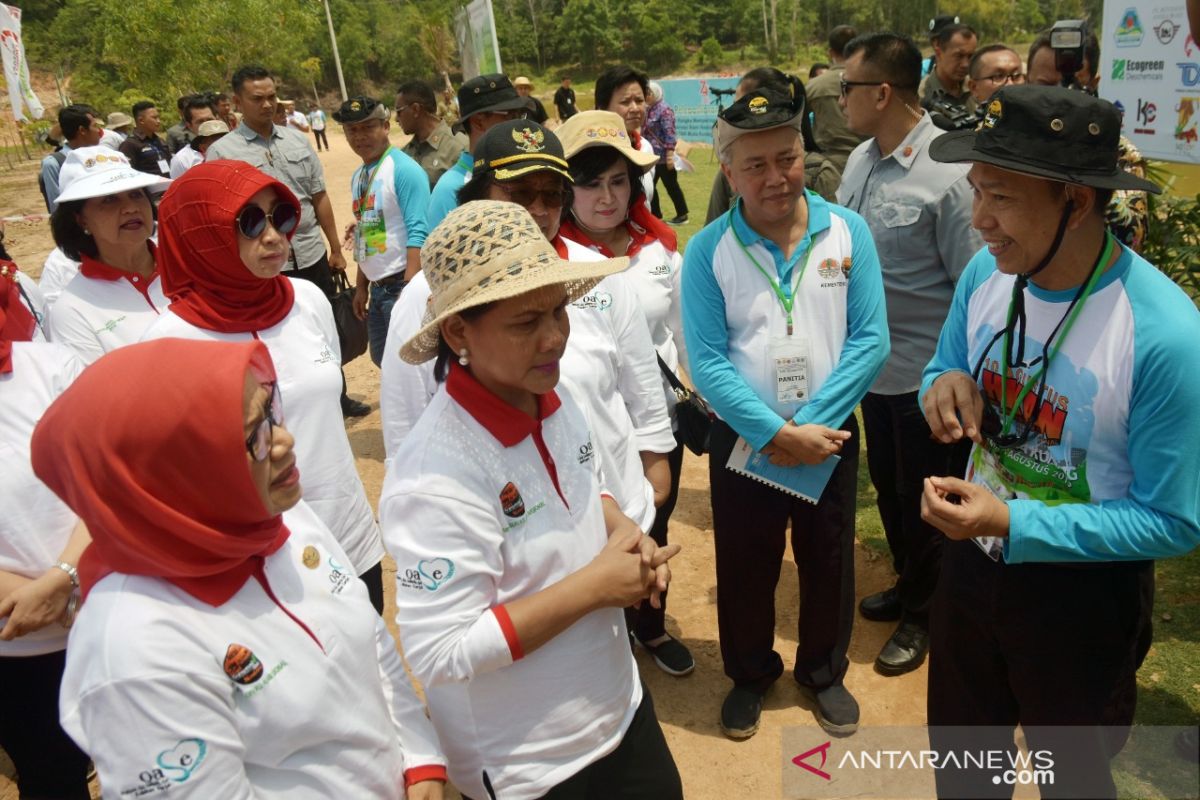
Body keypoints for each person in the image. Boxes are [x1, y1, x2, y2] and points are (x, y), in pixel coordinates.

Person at [921, 84, 1198, 799]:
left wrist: (1014, 521)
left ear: (1077, 202)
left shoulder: (1163, 336)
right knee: (966, 767)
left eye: (1002, 197)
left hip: (1081, 605)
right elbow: (944, 360)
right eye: (977, 190)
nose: (979, 219)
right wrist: (941, 382)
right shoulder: (989, 272)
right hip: (971, 569)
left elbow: (1171, 520)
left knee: (1072, 778)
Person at [31, 338, 448, 799]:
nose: (286, 441)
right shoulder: (136, 650)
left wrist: (420, 758)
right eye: (255, 436)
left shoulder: (273, 517)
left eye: (273, 410)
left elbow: (367, 634)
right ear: (175, 471)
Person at [384, 199, 682, 800]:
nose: (555, 338)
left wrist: (621, 526)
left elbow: (579, 483)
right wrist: (597, 588)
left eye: (559, 311)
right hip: (529, 764)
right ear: (459, 330)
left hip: (619, 711)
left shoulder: (551, 395)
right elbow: (441, 652)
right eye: (526, 322)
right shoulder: (434, 474)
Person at [682, 86, 889, 740]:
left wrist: (809, 432)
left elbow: (871, 338)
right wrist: (773, 431)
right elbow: (708, 359)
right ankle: (750, 673)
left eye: (788, 157)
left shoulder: (846, 232)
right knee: (746, 562)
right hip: (746, 441)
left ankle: (823, 673)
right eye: (755, 165)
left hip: (826, 436)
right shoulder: (708, 251)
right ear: (729, 171)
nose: (776, 177)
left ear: (804, 151)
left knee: (828, 559)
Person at [385, 120, 674, 544]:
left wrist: (653, 481)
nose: (538, 209)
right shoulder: (425, 297)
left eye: (552, 195)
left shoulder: (599, 272)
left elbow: (640, 384)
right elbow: (406, 423)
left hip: (619, 514)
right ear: (479, 192)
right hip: (510, 532)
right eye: (519, 193)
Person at [144, 160, 388, 611]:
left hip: (348, 534)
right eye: (250, 222)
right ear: (201, 234)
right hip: (260, 560)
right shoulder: (169, 343)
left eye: (281, 216)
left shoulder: (308, 301)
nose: (274, 237)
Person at [836, 32, 981, 677]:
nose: (837, 99)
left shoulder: (948, 176)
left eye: (847, 88)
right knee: (892, 495)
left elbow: (977, 284)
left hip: (927, 378)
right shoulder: (859, 161)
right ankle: (908, 584)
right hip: (872, 372)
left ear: (883, 92)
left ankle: (927, 615)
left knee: (928, 500)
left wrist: (960, 375)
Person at [558, 109, 695, 676]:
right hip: (577, 431)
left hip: (655, 422)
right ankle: (599, 645)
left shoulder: (659, 251)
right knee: (581, 544)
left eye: (619, 181)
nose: (607, 197)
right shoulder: (547, 260)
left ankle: (651, 629)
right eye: (590, 183)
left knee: (653, 526)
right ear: (566, 190)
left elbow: (683, 338)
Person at [207, 65, 366, 417]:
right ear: (236, 102)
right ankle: (282, 406)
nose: (266, 105)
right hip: (260, 264)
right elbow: (220, 219)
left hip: (309, 254)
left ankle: (336, 397)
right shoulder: (221, 153)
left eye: (271, 97)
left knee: (321, 326)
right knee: (270, 333)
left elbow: (319, 197)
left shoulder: (296, 140)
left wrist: (335, 250)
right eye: (257, 98)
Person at [0, 258, 92, 800]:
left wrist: (62, 578)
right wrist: (23, 599)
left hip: (99, 613)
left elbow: (108, 482)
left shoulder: (53, 367)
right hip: (15, 647)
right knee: (50, 776)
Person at [1026, 31, 1149, 253]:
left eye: (1069, 86)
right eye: (1045, 85)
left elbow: (1132, 238)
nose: (1058, 98)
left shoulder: (1120, 152)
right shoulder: (1010, 146)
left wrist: (1088, 166)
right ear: (1027, 82)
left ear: (1093, 83)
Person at [46, 148, 172, 364]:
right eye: (109, 199)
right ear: (81, 220)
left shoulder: (188, 266)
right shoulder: (72, 311)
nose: (131, 208)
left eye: (136, 194)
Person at [334, 96, 430, 367]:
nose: (359, 136)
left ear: (386, 127)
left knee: (410, 367)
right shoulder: (360, 176)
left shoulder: (404, 170)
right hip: (378, 289)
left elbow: (418, 231)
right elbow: (369, 234)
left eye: (367, 127)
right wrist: (362, 286)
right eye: (352, 130)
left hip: (401, 285)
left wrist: (410, 291)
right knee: (382, 359)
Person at [425, 73, 529, 231]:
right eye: (511, 116)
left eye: (520, 115)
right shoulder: (450, 189)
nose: (520, 125)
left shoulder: (528, 171)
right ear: (479, 121)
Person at [802, 25, 867, 188]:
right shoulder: (871, 82)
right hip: (869, 160)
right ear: (858, 48)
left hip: (829, 166)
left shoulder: (814, 86)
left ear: (830, 53)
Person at [595, 66, 656, 204]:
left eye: (639, 101)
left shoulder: (645, 148)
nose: (635, 108)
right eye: (625, 102)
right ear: (602, 107)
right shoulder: (589, 153)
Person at [397, 79, 467, 189]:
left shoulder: (459, 148)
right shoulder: (403, 155)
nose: (396, 119)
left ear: (415, 109)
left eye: (399, 111)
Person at [39, 104, 102, 213]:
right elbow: (57, 208)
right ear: (82, 130)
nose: (99, 131)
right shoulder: (54, 163)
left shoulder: (103, 156)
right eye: (95, 126)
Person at [643, 82, 688, 225]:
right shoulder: (648, 109)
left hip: (663, 157)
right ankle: (655, 215)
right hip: (651, 156)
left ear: (655, 93)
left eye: (648, 93)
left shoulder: (664, 110)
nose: (646, 96)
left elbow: (670, 134)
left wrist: (669, 156)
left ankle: (682, 215)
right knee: (649, 185)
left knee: (671, 186)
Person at [919, 23, 978, 114]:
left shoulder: (976, 89)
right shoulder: (921, 96)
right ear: (939, 53)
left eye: (970, 56)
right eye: (959, 56)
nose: (965, 64)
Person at [167, 95, 217, 178]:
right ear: (189, 126)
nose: (206, 125)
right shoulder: (181, 160)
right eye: (200, 121)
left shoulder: (232, 147)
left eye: (210, 120)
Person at [120, 100, 172, 178]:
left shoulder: (160, 141)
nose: (158, 121)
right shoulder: (130, 144)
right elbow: (127, 174)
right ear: (141, 120)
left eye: (158, 117)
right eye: (154, 118)